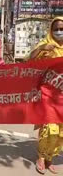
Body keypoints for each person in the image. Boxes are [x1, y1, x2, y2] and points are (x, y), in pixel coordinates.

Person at [30, 17, 63, 174]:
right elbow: (30, 59)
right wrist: (43, 48)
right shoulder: (45, 45)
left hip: (61, 94)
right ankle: (41, 158)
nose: (59, 32)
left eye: (62, 29)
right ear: (51, 30)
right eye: (56, 28)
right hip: (47, 92)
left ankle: (50, 157)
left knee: (60, 129)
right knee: (48, 126)